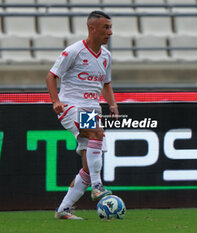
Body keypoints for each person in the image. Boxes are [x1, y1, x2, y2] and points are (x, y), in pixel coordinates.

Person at [45, 10, 118, 220]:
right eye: (106, 27)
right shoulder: (74, 51)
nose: (110, 32)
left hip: (92, 108)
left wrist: (112, 104)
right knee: (96, 132)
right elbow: (51, 76)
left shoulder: (106, 56)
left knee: (88, 167)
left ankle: (63, 209)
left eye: (110, 27)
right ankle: (98, 187)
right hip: (71, 106)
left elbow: (106, 83)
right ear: (91, 28)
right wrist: (55, 101)